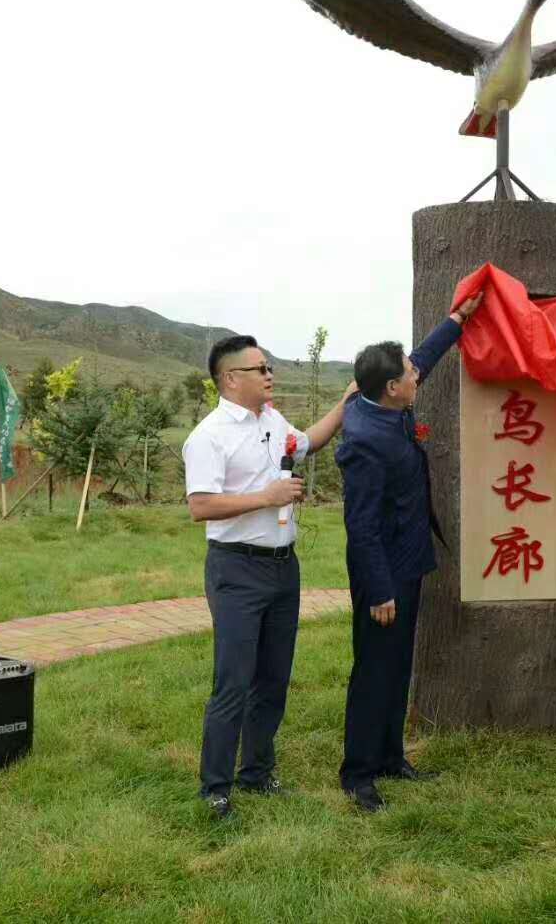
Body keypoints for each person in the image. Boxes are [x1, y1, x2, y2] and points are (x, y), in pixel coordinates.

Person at [184, 334, 356, 819]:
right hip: (236, 568)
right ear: (230, 378)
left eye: (269, 367)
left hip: (283, 567)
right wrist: (267, 497)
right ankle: (215, 789)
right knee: (233, 681)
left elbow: (309, 442)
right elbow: (201, 506)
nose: (269, 375)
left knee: (274, 678)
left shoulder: (272, 421)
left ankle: (257, 774)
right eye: (260, 369)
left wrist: (345, 403)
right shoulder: (209, 436)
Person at [335, 294, 483, 812]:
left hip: (408, 560)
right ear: (392, 388)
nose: (416, 374)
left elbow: (423, 357)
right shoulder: (364, 441)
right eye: (408, 374)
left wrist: (457, 320)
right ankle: (357, 774)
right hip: (383, 574)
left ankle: (390, 757)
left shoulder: (384, 400)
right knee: (374, 670)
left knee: (398, 665)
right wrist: (380, 590)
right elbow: (361, 526)